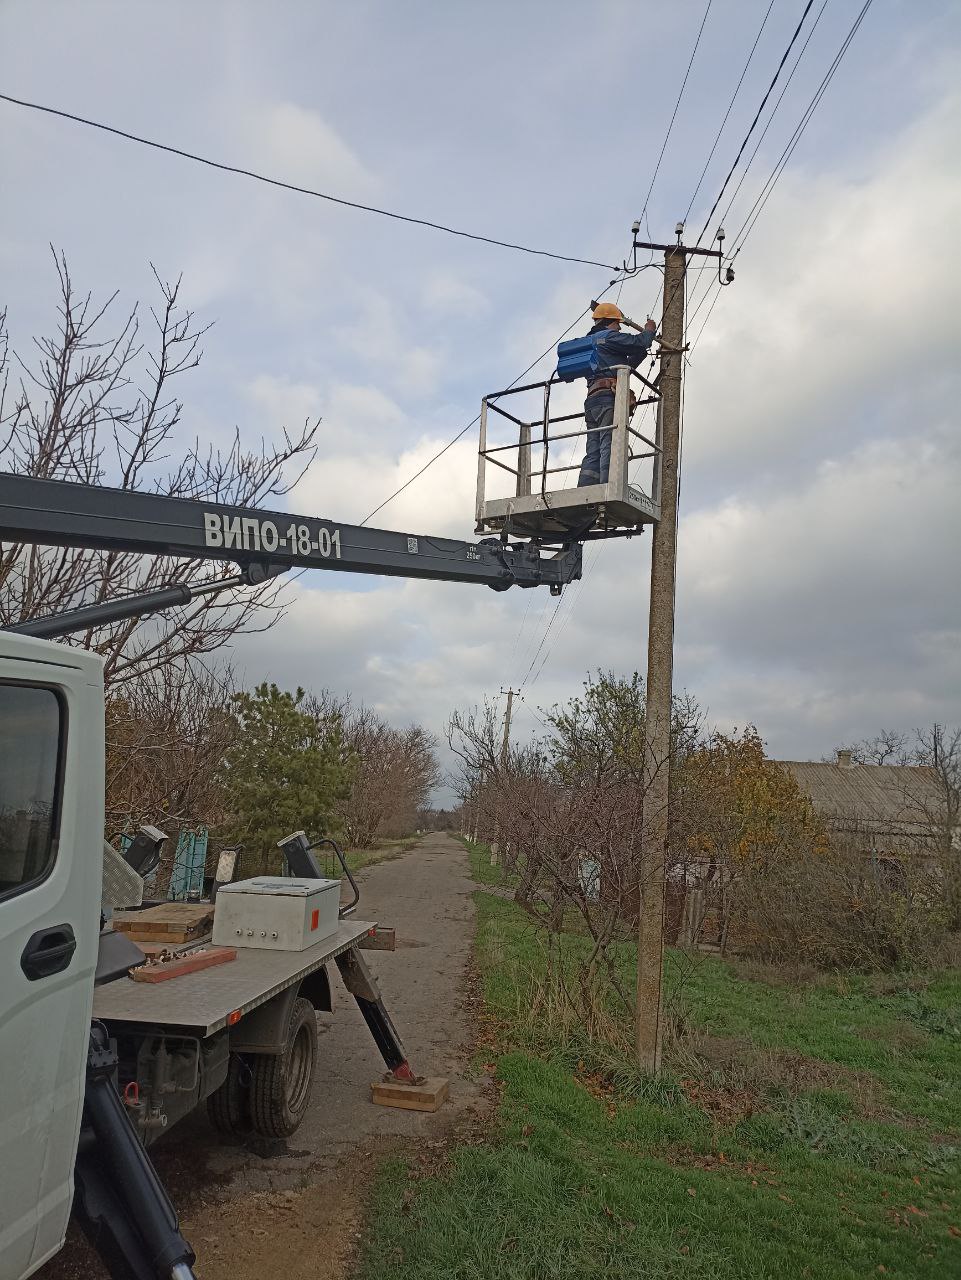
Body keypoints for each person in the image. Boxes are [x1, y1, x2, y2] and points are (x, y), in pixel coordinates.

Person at [577, 302, 656, 487]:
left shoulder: (588, 342)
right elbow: (639, 341)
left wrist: (641, 351)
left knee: (593, 450)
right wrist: (649, 330)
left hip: (592, 401)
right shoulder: (609, 337)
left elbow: (624, 367)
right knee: (609, 444)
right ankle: (607, 487)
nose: (619, 327)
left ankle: (586, 489)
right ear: (610, 321)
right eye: (617, 324)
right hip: (607, 399)